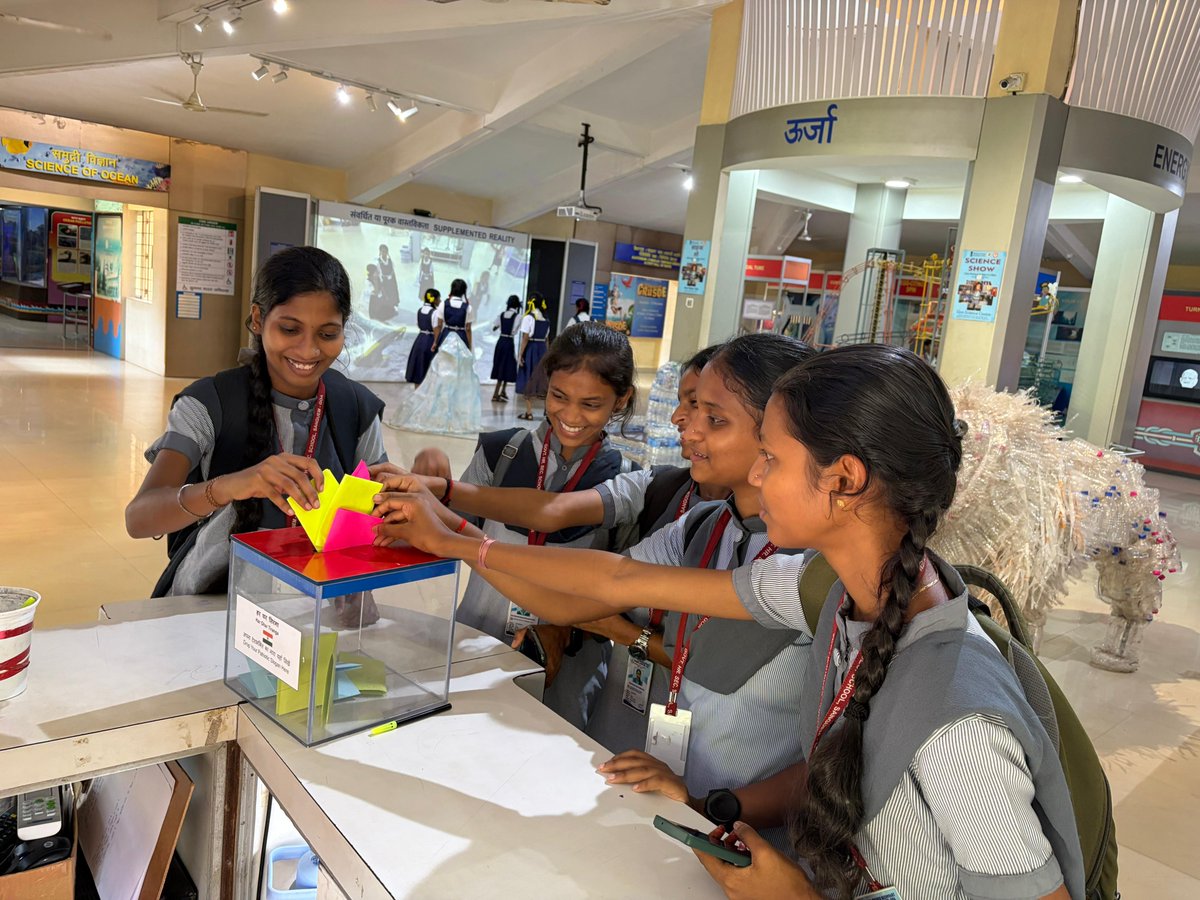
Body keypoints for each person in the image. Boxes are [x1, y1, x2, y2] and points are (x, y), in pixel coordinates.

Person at [376, 344, 1084, 900]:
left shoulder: (957, 720)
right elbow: (619, 579)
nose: (756, 476)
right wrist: (712, 804)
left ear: (841, 480)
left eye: (771, 457)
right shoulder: (830, 591)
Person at [374, 335, 819, 850]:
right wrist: (452, 531)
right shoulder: (702, 528)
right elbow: (565, 596)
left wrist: (454, 537)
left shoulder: (816, 571)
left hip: (755, 845)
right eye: (690, 405)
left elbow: (614, 579)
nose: (685, 424)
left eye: (712, 418)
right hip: (665, 813)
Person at [402, 322, 639, 729]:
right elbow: (448, 536)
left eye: (591, 404)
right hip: (479, 642)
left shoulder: (625, 483)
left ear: (621, 400)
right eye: (559, 396)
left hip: (565, 666)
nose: (571, 416)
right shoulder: (499, 453)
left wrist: (566, 632)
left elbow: (619, 594)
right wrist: (430, 491)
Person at [126, 246, 387, 597]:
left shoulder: (356, 407)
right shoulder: (208, 403)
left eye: (327, 334)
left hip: (318, 609)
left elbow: (379, 516)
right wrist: (231, 486)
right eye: (290, 329)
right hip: (210, 607)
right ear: (258, 319)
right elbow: (140, 518)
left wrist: (408, 496)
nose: (309, 351)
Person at [516, 292, 550, 421]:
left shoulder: (528, 317)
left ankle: (529, 412)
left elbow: (525, 337)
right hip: (542, 349)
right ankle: (547, 411)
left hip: (531, 348)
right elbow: (547, 339)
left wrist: (520, 354)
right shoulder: (546, 319)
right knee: (542, 379)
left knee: (528, 377)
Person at [405, 288, 442, 386]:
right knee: (428, 366)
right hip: (430, 340)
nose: (440, 301)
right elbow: (436, 328)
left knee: (418, 367)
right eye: (439, 298)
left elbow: (418, 324)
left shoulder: (420, 310)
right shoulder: (434, 312)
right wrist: (436, 342)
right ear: (434, 299)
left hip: (420, 339)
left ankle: (417, 392)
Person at [490, 294, 521, 402]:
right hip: (509, 341)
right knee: (506, 365)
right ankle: (496, 393)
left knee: (500, 364)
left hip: (500, 341)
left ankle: (502, 390)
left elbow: (494, 327)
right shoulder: (517, 316)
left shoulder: (502, 314)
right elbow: (515, 330)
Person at [435, 277, 473, 352]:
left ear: (452, 289)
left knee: (443, 361)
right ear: (463, 291)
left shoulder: (443, 304)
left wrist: (435, 342)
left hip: (446, 335)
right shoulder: (468, 307)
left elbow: (439, 325)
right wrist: (469, 346)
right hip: (461, 337)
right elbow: (468, 329)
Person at [376, 243, 399, 316]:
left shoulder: (390, 261)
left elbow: (393, 270)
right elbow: (378, 274)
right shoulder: (378, 262)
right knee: (386, 295)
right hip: (384, 281)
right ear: (380, 252)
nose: (384, 253)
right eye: (382, 251)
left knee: (393, 293)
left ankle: (393, 306)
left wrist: (392, 279)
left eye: (385, 251)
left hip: (391, 280)